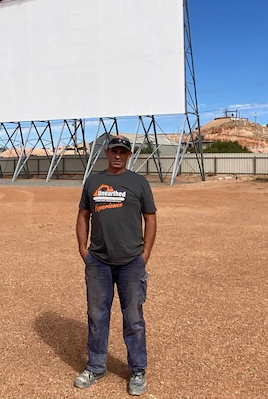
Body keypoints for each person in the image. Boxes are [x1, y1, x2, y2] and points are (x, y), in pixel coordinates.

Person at [74, 135, 157, 396]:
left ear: (129, 155)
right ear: (106, 153)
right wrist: (83, 250)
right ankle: (96, 367)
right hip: (98, 261)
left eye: (123, 151)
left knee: (133, 318)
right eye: (114, 151)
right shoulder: (94, 181)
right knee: (97, 316)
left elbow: (151, 219)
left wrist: (145, 255)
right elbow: (82, 215)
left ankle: (137, 370)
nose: (118, 155)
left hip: (131, 262)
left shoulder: (139, 183)